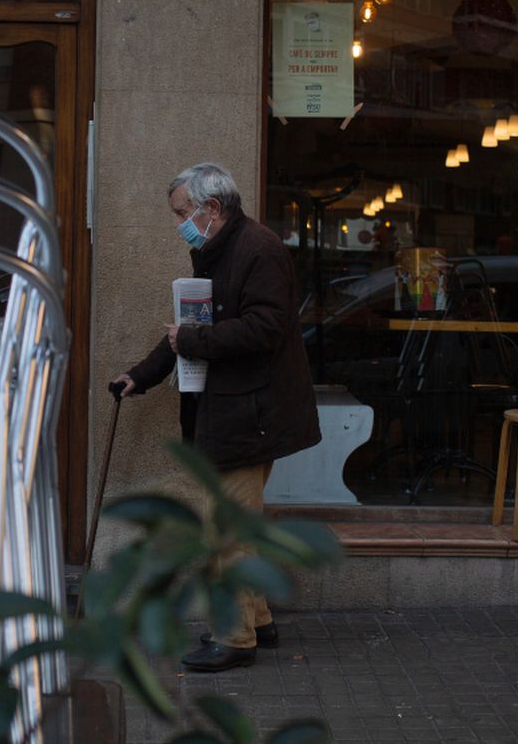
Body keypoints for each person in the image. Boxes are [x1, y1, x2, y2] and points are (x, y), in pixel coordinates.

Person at [111, 163, 321, 673]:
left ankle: (234, 637)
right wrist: (142, 375)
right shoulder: (218, 249)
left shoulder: (258, 250)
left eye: (184, 213)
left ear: (213, 208)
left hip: (251, 412)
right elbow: (189, 329)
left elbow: (265, 328)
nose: (180, 222)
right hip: (235, 409)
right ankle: (260, 619)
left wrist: (193, 341)